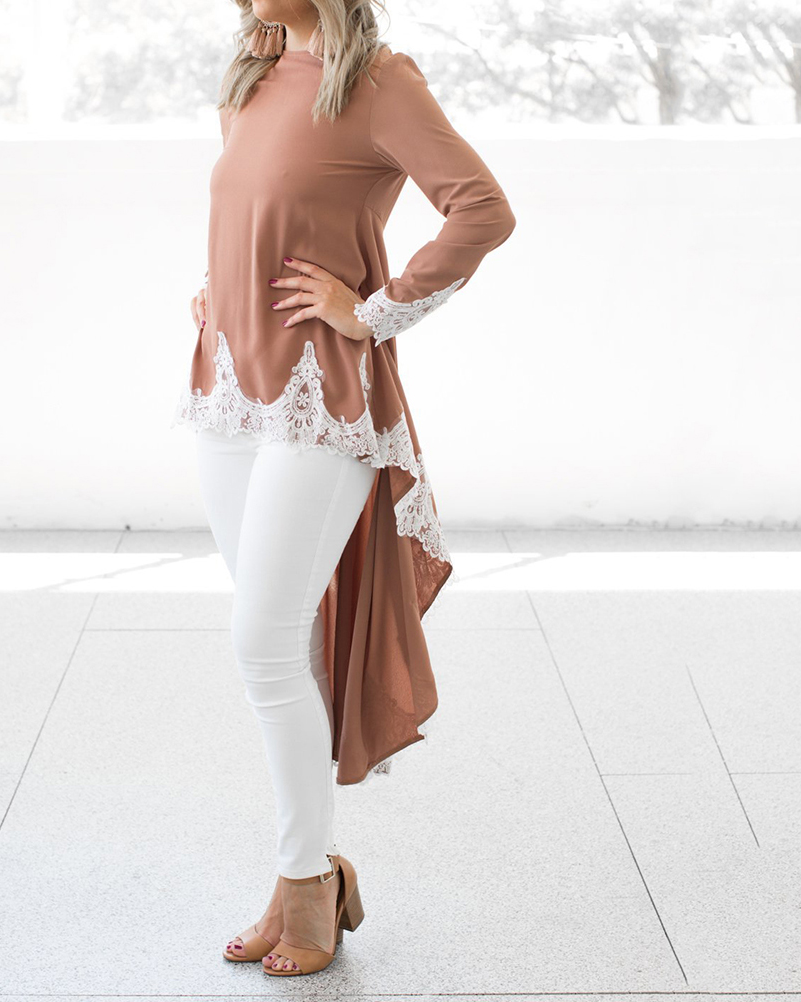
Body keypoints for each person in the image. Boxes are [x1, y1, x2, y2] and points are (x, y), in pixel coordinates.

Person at [170, 0, 516, 978]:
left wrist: (373, 311)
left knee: (262, 642)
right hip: (229, 389)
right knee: (283, 651)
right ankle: (310, 872)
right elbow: (259, 205)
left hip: (321, 395)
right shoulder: (252, 72)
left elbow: (483, 209)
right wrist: (217, 284)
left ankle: (304, 884)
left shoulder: (378, 81)